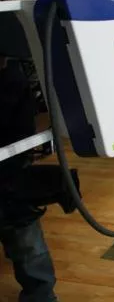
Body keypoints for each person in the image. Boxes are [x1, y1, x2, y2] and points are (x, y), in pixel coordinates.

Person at [0, 55, 59, 302]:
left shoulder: (12, 76)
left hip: (8, 172)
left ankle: (41, 296)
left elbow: (23, 127)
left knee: (26, 241)